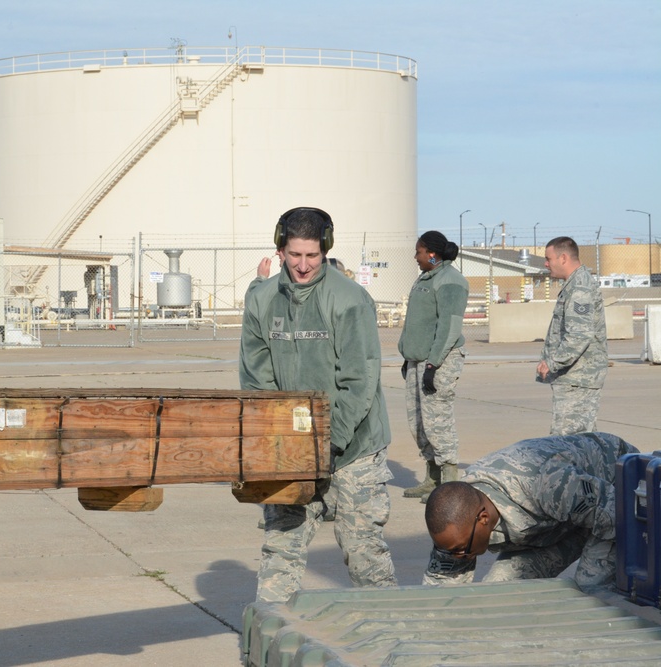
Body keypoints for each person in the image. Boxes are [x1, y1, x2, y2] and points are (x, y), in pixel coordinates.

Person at [241, 207, 397, 602]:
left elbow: (359, 381)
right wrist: (279, 445)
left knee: (365, 556)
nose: (304, 265)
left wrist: (328, 444)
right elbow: (257, 379)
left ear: (325, 250)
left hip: (353, 449)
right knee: (281, 548)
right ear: (281, 250)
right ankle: (268, 638)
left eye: (312, 256)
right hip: (292, 450)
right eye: (295, 255)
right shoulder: (261, 300)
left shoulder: (349, 300)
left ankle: (392, 636)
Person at [423, 432, 636, 593]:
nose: (458, 557)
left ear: (483, 519)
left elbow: (623, 517)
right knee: (498, 593)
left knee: (588, 591)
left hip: (616, 493)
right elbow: (440, 589)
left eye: (461, 551)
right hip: (556, 521)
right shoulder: (455, 525)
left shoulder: (545, 483)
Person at [398, 231, 469, 503]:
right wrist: (410, 357)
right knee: (418, 422)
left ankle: (449, 485)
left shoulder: (451, 281)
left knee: (437, 421)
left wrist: (433, 364)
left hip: (439, 360)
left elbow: (449, 328)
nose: (415, 257)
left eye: (418, 252)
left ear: (431, 253)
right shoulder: (426, 277)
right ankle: (433, 479)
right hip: (419, 360)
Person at [537, 236, 607, 435]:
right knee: (582, 440)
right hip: (575, 377)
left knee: (566, 441)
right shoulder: (574, 284)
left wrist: (553, 362)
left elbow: (579, 334)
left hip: (578, 378)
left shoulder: (580, 288)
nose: (546, 263)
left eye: (549, 259)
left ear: (564, 258)